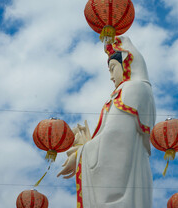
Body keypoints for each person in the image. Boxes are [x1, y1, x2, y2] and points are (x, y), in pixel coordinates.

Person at [57, 36, 156, 208]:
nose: (111, 77)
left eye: (112, 68)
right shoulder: (134, 90)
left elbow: (116, 139)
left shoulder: (132, 89)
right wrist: (86, 143)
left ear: (127, 64)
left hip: (125, 184)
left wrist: (80, 155)